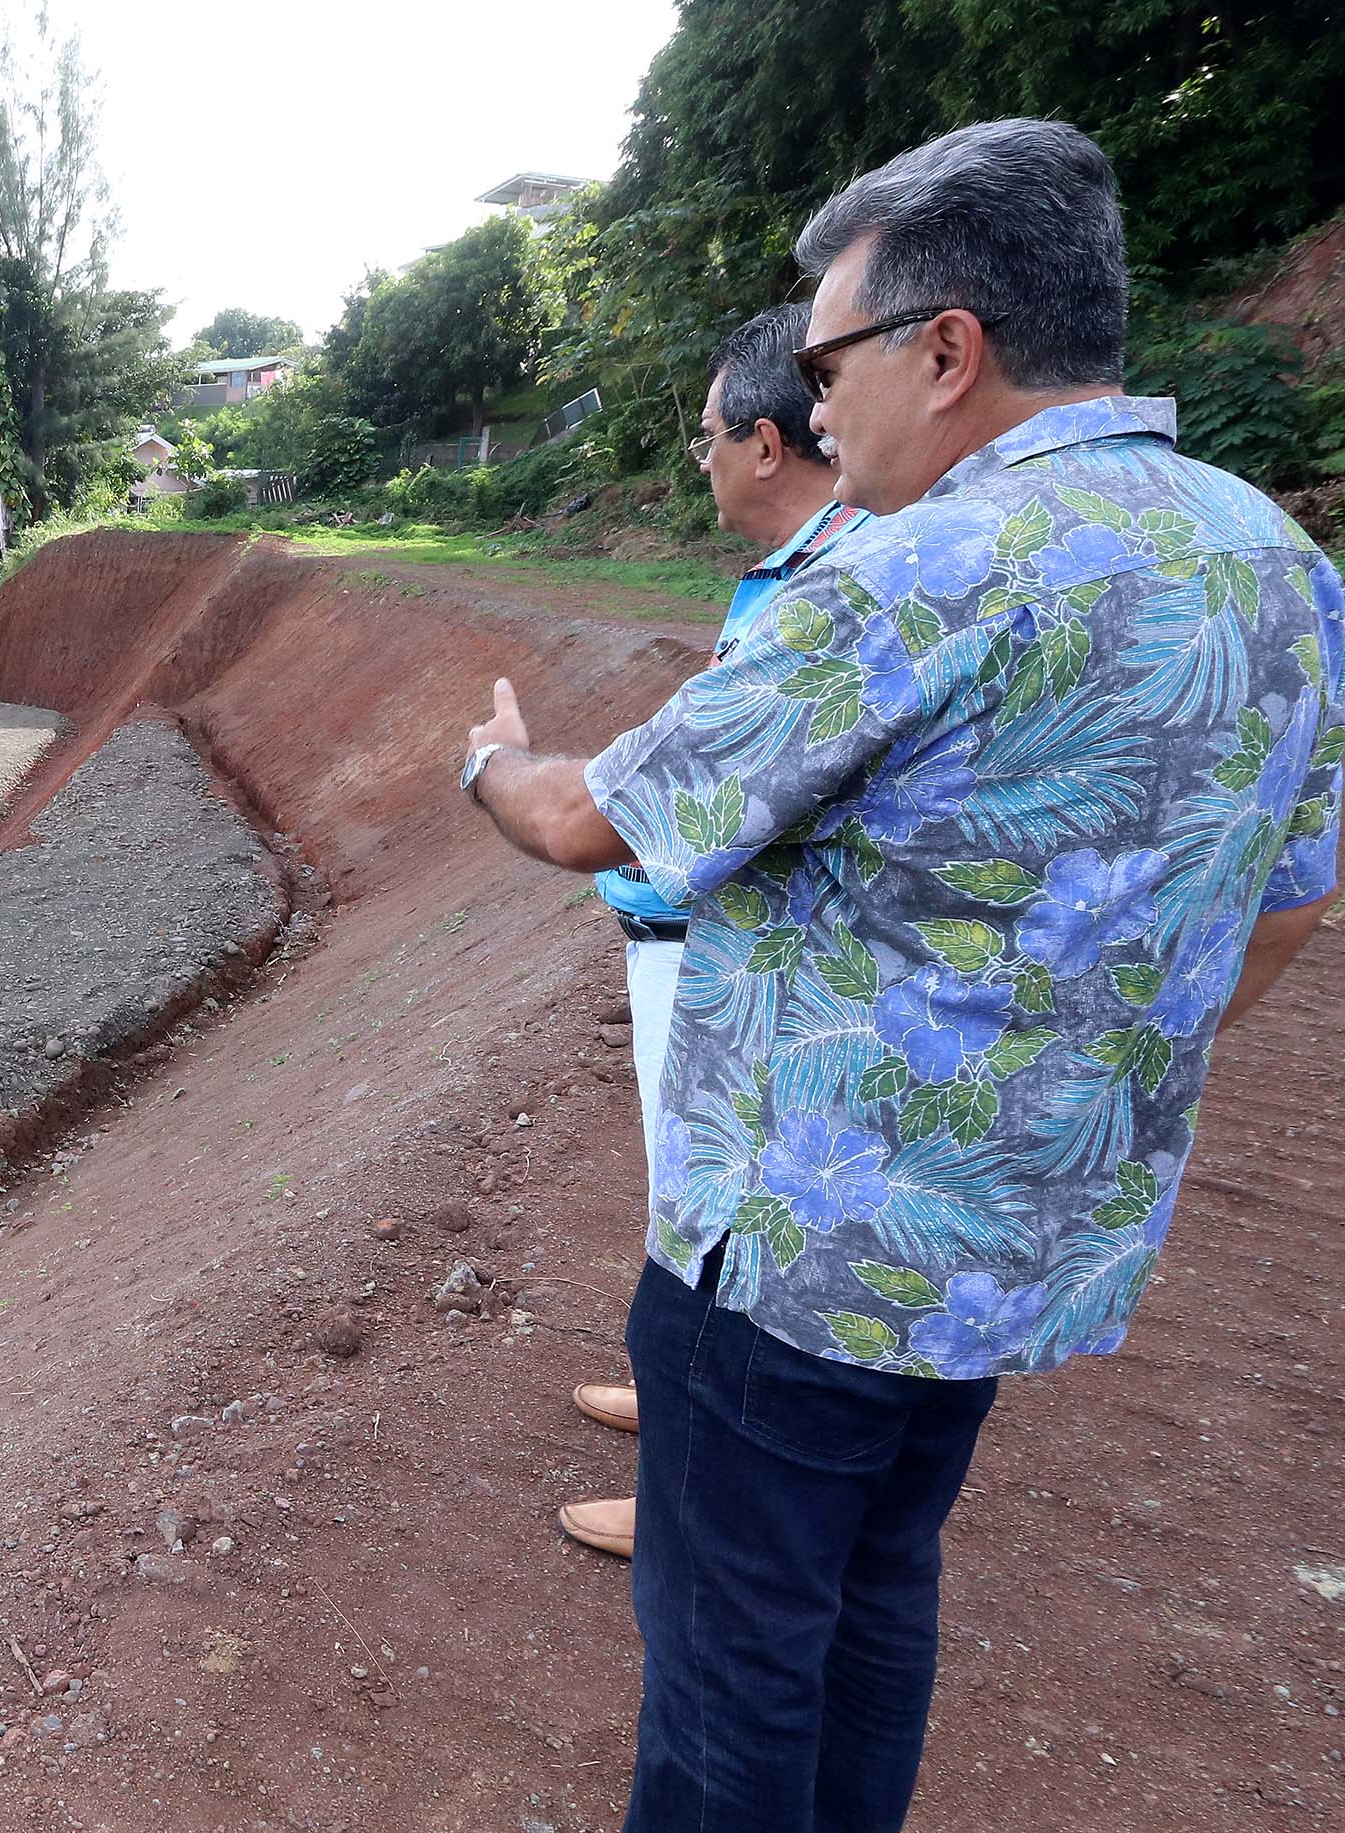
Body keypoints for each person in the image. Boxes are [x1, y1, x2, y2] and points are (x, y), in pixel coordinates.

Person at [456, 117, 1345, 1831]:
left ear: (946, 352)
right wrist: (1063, 1070)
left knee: (730, 1658)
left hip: (799, 1258)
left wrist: (487, 764)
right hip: (1011, 1250)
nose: (815, 406)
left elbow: (587, 821)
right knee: (877, 1591)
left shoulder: (912, 571)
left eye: (826, 363)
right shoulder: (1274, 563)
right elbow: (1292, 905)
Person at [562, 303, 871, 1563]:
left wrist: (505, 774)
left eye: (706, 438)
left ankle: (692, 1497)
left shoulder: (837, 591)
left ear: (763, 441)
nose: (701, 462)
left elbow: (679, 805)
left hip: (739, 966)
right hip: (703, 947)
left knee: (724, 1220)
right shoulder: (804, 576)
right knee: (684, 1197)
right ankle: (677, 1401)